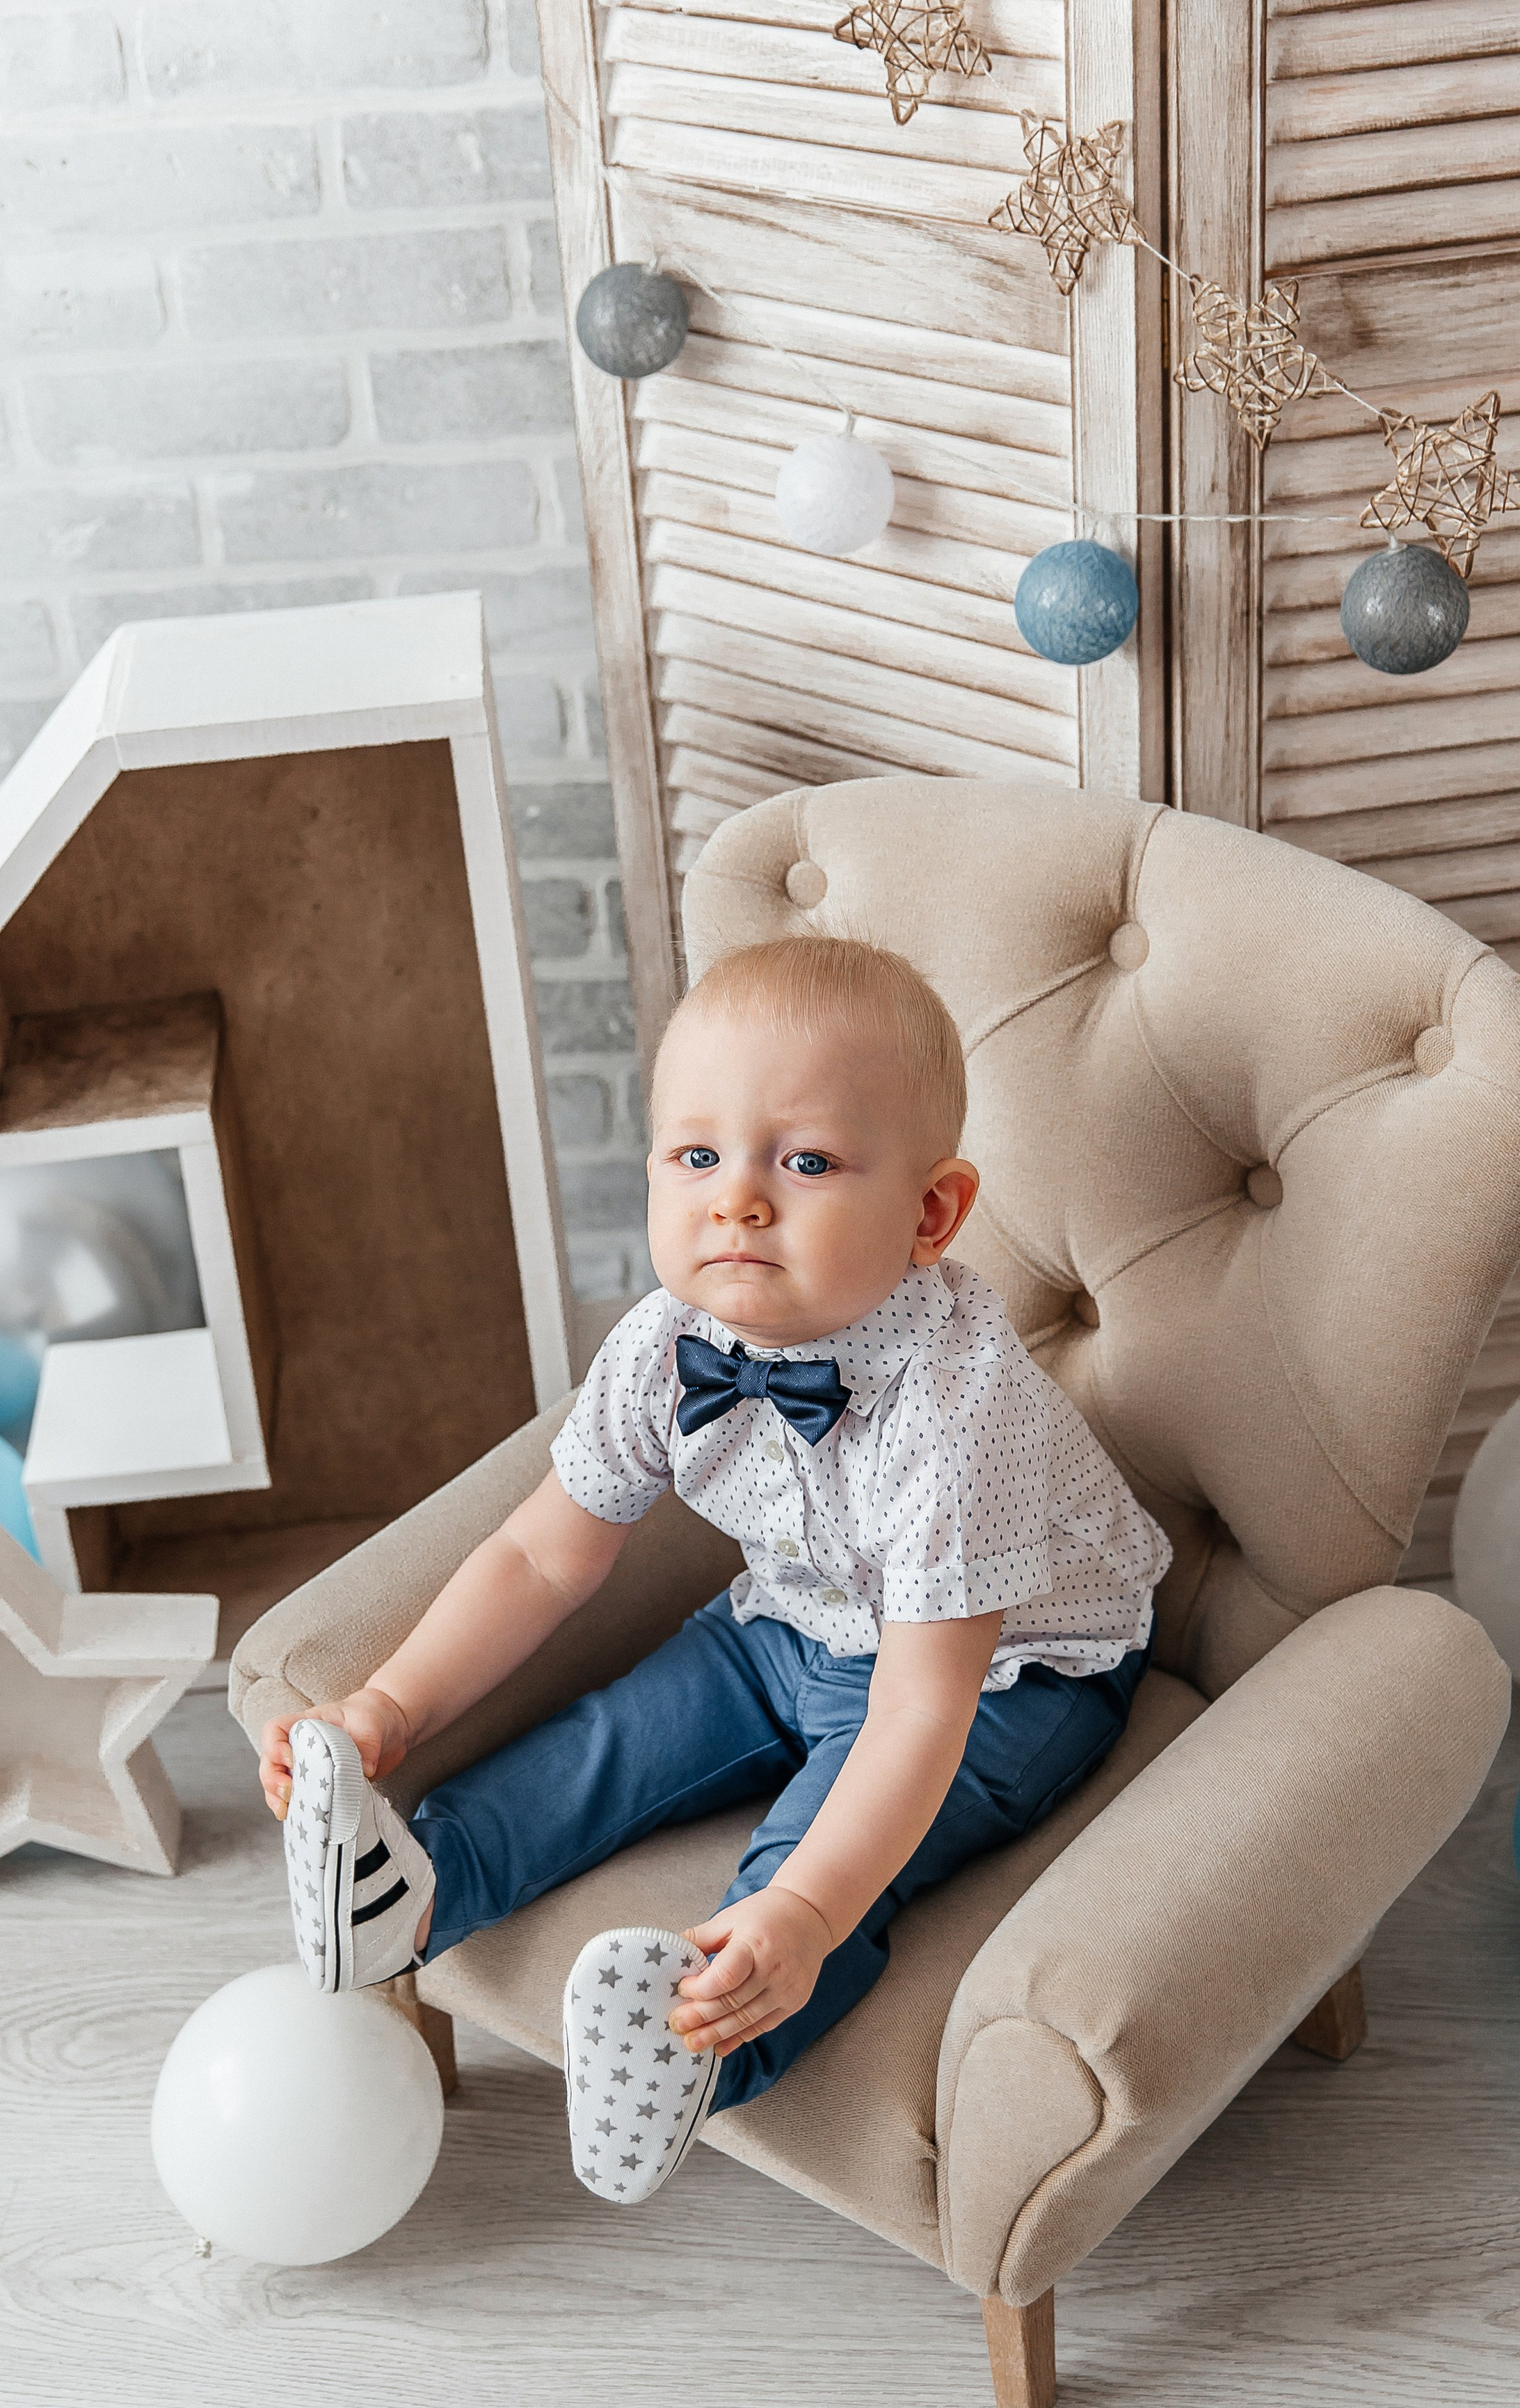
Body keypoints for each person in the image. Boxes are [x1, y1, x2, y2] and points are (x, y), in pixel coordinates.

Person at [260, 934, 1171, 2205]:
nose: (736, 1199)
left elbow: (919, 1712)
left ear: (931, 1214)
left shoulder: (960, 1414)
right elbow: (539, 1554)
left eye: (803, 1163)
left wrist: (801, 1910)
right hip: (788, 1619)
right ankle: (409, 1893)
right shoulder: (662, 1348)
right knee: (612, 1738)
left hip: (1011, 1675)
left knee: (821, 1868)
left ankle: (705, 2045)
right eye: (699, 1157)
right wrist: (390, 1709)